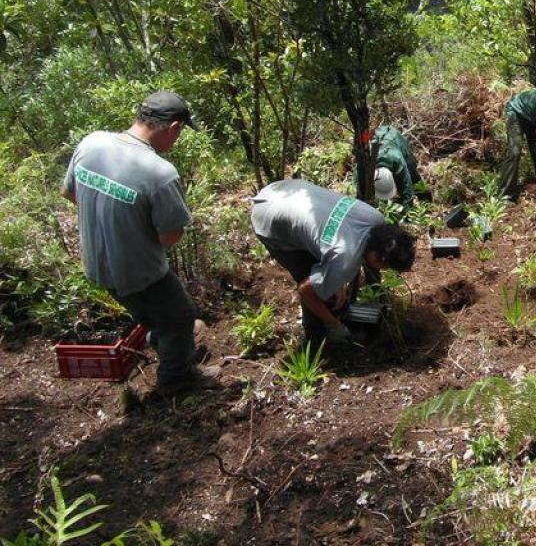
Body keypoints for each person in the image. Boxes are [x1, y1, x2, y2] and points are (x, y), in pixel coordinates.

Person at [60, 90, 215, 396]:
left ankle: (170, 345)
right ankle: (176, 380)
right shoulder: (160, 173)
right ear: (173, 128)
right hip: (139, 270)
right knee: (181, 315)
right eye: (179, 133)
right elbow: (168, 237)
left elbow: (69, 193)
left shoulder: (92, 142)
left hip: (97, 264)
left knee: (155, 314)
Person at [250, 179, 416, 348]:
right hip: (269, 217)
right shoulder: (345, 259)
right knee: (313, 286)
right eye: (386, 266)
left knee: (327, 286)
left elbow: (337, 243)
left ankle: (327, 318)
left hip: (285, 188)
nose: (384, 270)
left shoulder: (375, 218)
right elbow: (305, 290)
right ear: (376, 256)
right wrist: (334, 325)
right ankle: (316, 342)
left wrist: (336, 280)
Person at [372, 124, 425, 211]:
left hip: (395, 138)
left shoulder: (398, 161)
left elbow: (406, 186)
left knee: (412, 171)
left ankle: (424, 196)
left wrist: (407, 210)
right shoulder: (365, 164)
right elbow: (360, 190)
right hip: (378, 138)